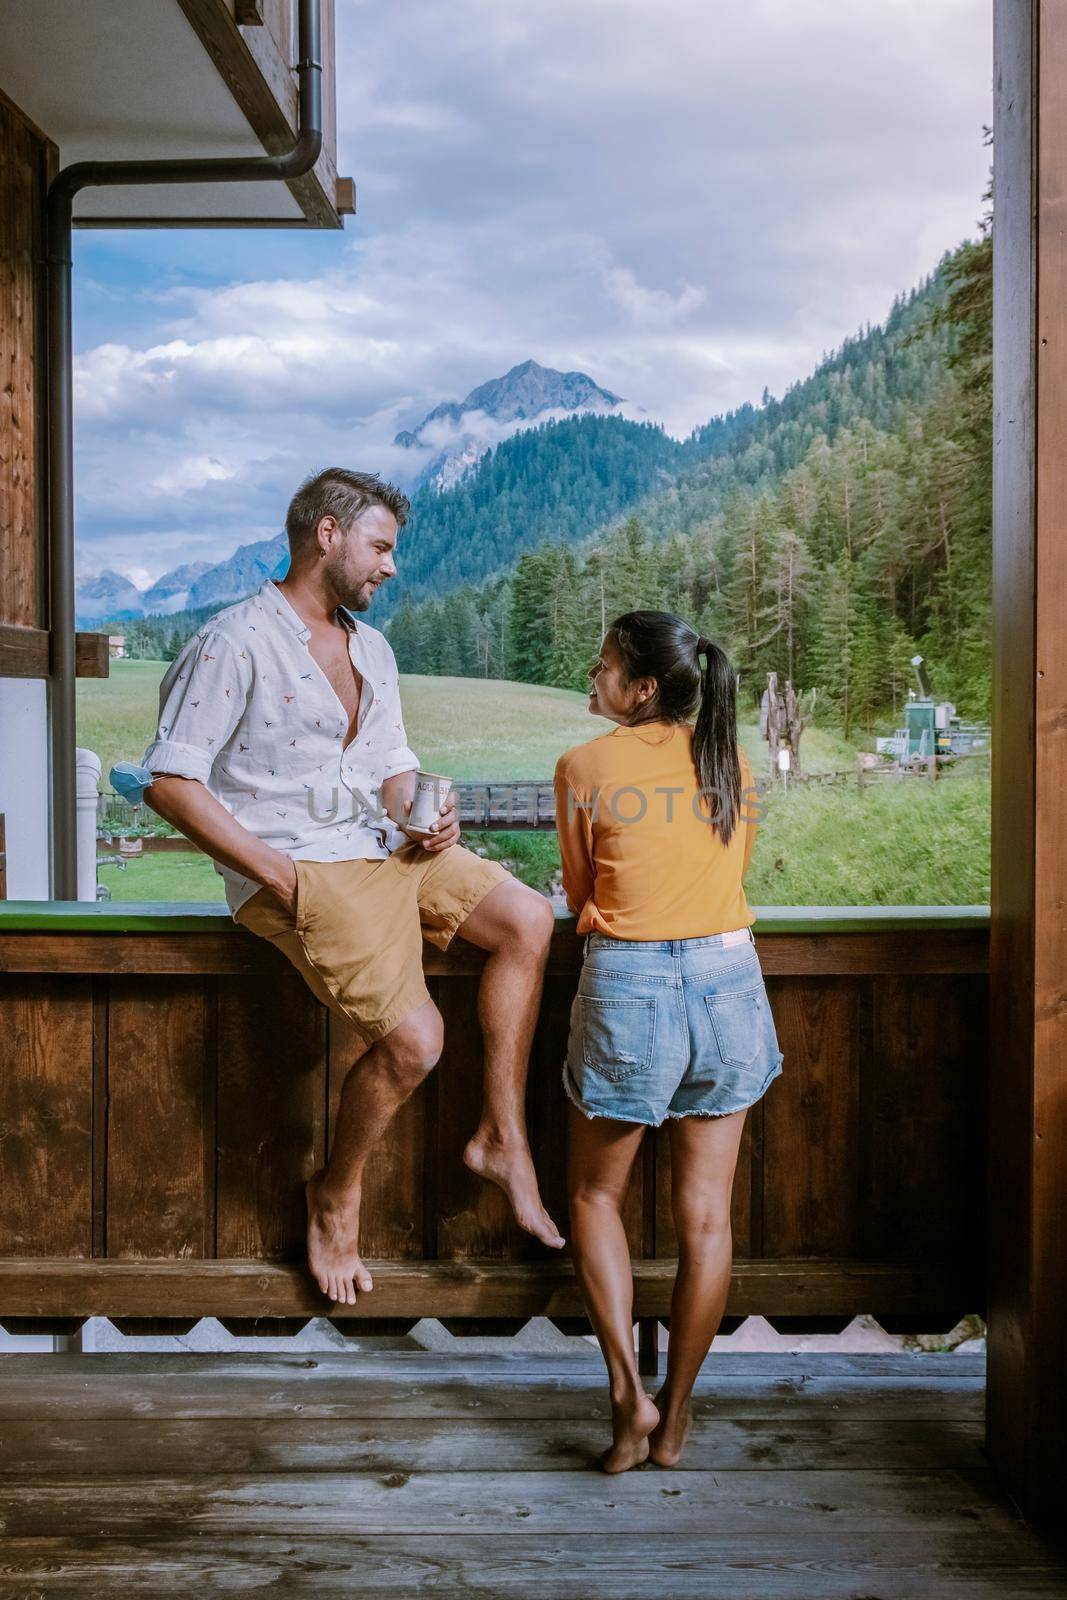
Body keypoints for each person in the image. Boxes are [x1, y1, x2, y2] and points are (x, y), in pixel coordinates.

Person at [140, 467, 564, 1306]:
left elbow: (391, 770)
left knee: (526, 920)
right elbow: (169, 781)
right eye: (380, 547)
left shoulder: (371, 646)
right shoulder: (235, 640)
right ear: (325, 536)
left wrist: (427, 815)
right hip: (305, 867)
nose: (391, 567)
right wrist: (277, 875)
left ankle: (502, 1137)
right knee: (417, 1042)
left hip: (384, 847)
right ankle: (336, 1196)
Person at [553, 611, 782, 1473]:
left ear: (640, 688)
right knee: (707, 1218)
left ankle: (627, 1398)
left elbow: (580, 890)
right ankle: (678, 1417)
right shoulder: (732, 762)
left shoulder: (582, 766)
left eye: (604, 664)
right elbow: (729, 872)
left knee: (592, 1200)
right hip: (728, 982)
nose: (593, 673)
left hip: (630, 985)